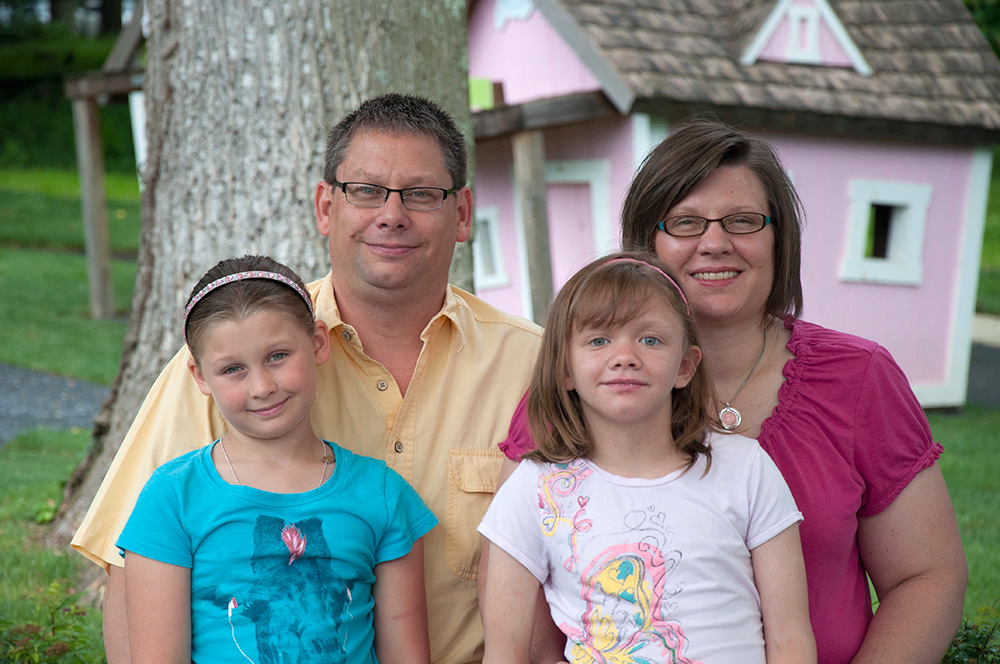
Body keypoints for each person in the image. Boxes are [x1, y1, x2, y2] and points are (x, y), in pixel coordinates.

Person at [72, 93, 543, 664]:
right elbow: (131, 574)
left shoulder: (536, 367)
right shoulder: (236, 360)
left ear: (463, 212)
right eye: (365, 191)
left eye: (421, 194)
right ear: (325, 206)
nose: (391, 214)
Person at [501, 121, 967, 664]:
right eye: (685, 222)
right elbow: (523, 609)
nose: (715, 243)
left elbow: (927, 576)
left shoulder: (859, 378)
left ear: (779, 237)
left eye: (743, 221)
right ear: (645, 242)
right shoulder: (576, 394)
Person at [478, 253, 816, 664]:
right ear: (565, 368)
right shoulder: (534, 489)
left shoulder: (747, 469)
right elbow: (505, 653)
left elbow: (791, 642)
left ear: (686, 367)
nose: (625, 356)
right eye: (599, 340)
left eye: (650, 339)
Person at [117, 255, 438, 663]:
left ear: (319, 342)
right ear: (200, 376)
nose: (262, 386)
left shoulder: (381, 494)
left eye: (278, 356)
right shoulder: (172, 498)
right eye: (233, 369)